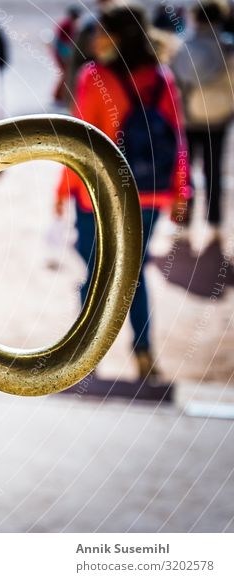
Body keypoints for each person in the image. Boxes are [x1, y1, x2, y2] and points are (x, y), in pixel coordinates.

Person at [56, 2, 191, 380]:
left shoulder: (93, 77)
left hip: (98, 193)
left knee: (96, 268)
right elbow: (177, 138)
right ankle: (144, 354)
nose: (96, 39)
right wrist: (183, 190)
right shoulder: (161, 78)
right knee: (131, 273)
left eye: (104, 32)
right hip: (148, 195)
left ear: (121, 37)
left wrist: (64, 188)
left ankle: (83, 356)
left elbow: (79, 138)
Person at [172, 0, 234, 238]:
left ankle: (184, 221)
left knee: (184, 170)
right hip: (219, 119)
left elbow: (175, 82)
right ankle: (215, 222)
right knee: (214, 170)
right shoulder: (228, 47)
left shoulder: (183, 46)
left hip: (188, 118)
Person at [53, 5, 83, 104]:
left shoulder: (66, 23)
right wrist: (66, 56)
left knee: (65, 74)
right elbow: (65, 43)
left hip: (61, 53)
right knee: (65, 74)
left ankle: (59, 96)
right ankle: (58, 96)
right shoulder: (68, 25)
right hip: (62, 54)